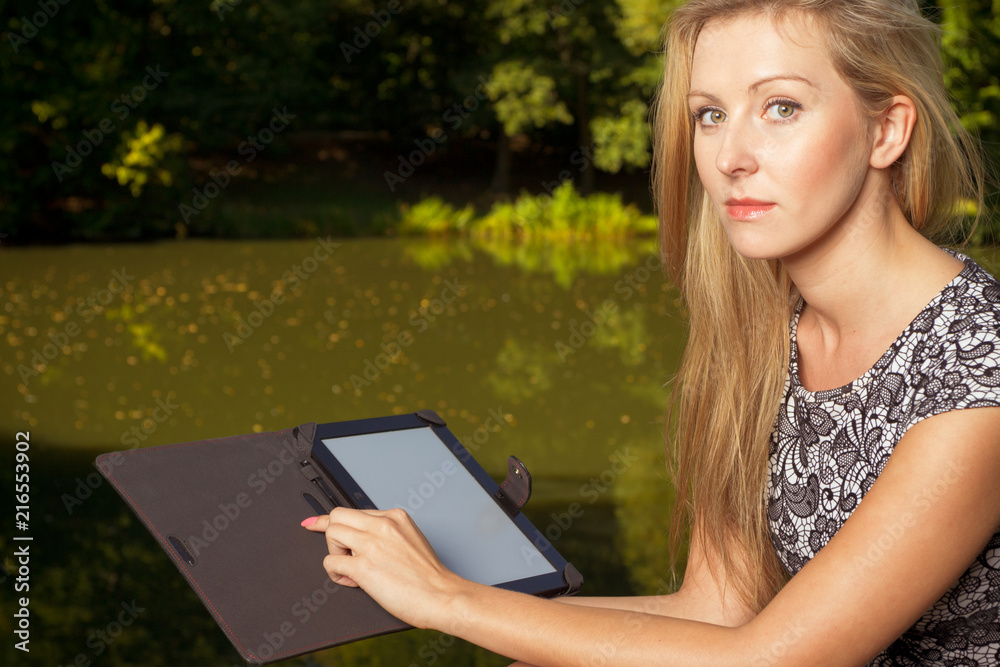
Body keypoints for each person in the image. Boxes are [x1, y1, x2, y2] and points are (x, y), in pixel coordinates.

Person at [300, 0, 1000, 664]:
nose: (731, 157)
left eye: (780, 107)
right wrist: (456, 592)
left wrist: (447, 597)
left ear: (887, 131)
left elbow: (774, 656)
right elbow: (715, 609)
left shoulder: (978, 368)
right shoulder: (763, 335)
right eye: (710, 115)